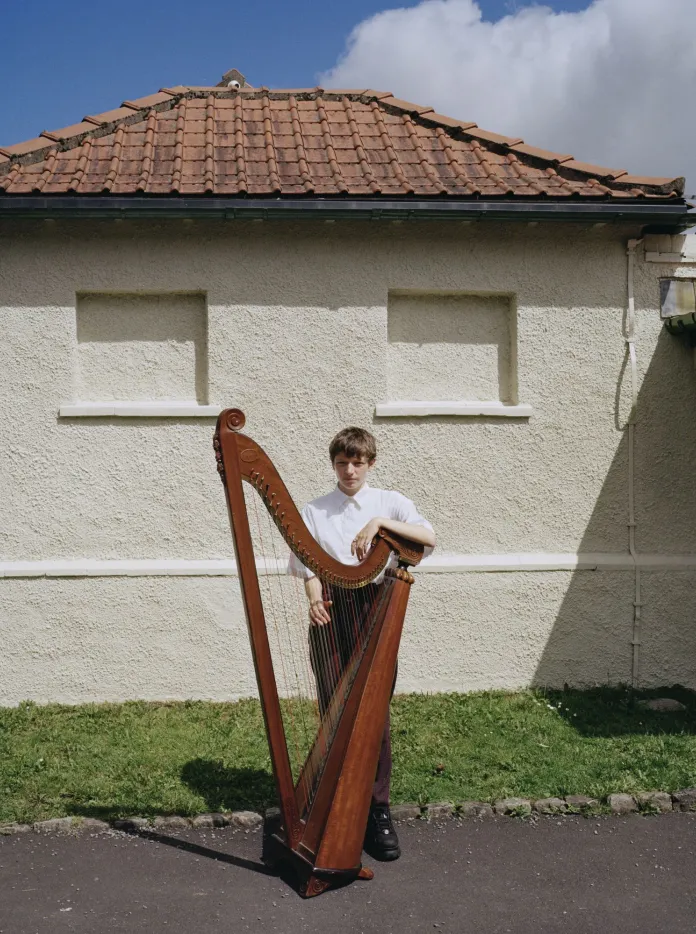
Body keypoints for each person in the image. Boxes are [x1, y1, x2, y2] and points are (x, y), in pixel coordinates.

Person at [288, 426, 435, 861]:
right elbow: (308, 563)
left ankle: (376, 810)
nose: (349, 470)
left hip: (375, 607)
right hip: (333, 607)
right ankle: (332, 804)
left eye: (357, 462)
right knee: (334, 705)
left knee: (374, 712)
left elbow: (428, 538)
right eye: (341, 462)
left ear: (370, 463)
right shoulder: (315, 510)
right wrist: (315, 598)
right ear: (333, 464)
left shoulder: (390, 502)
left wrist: (378, 523)